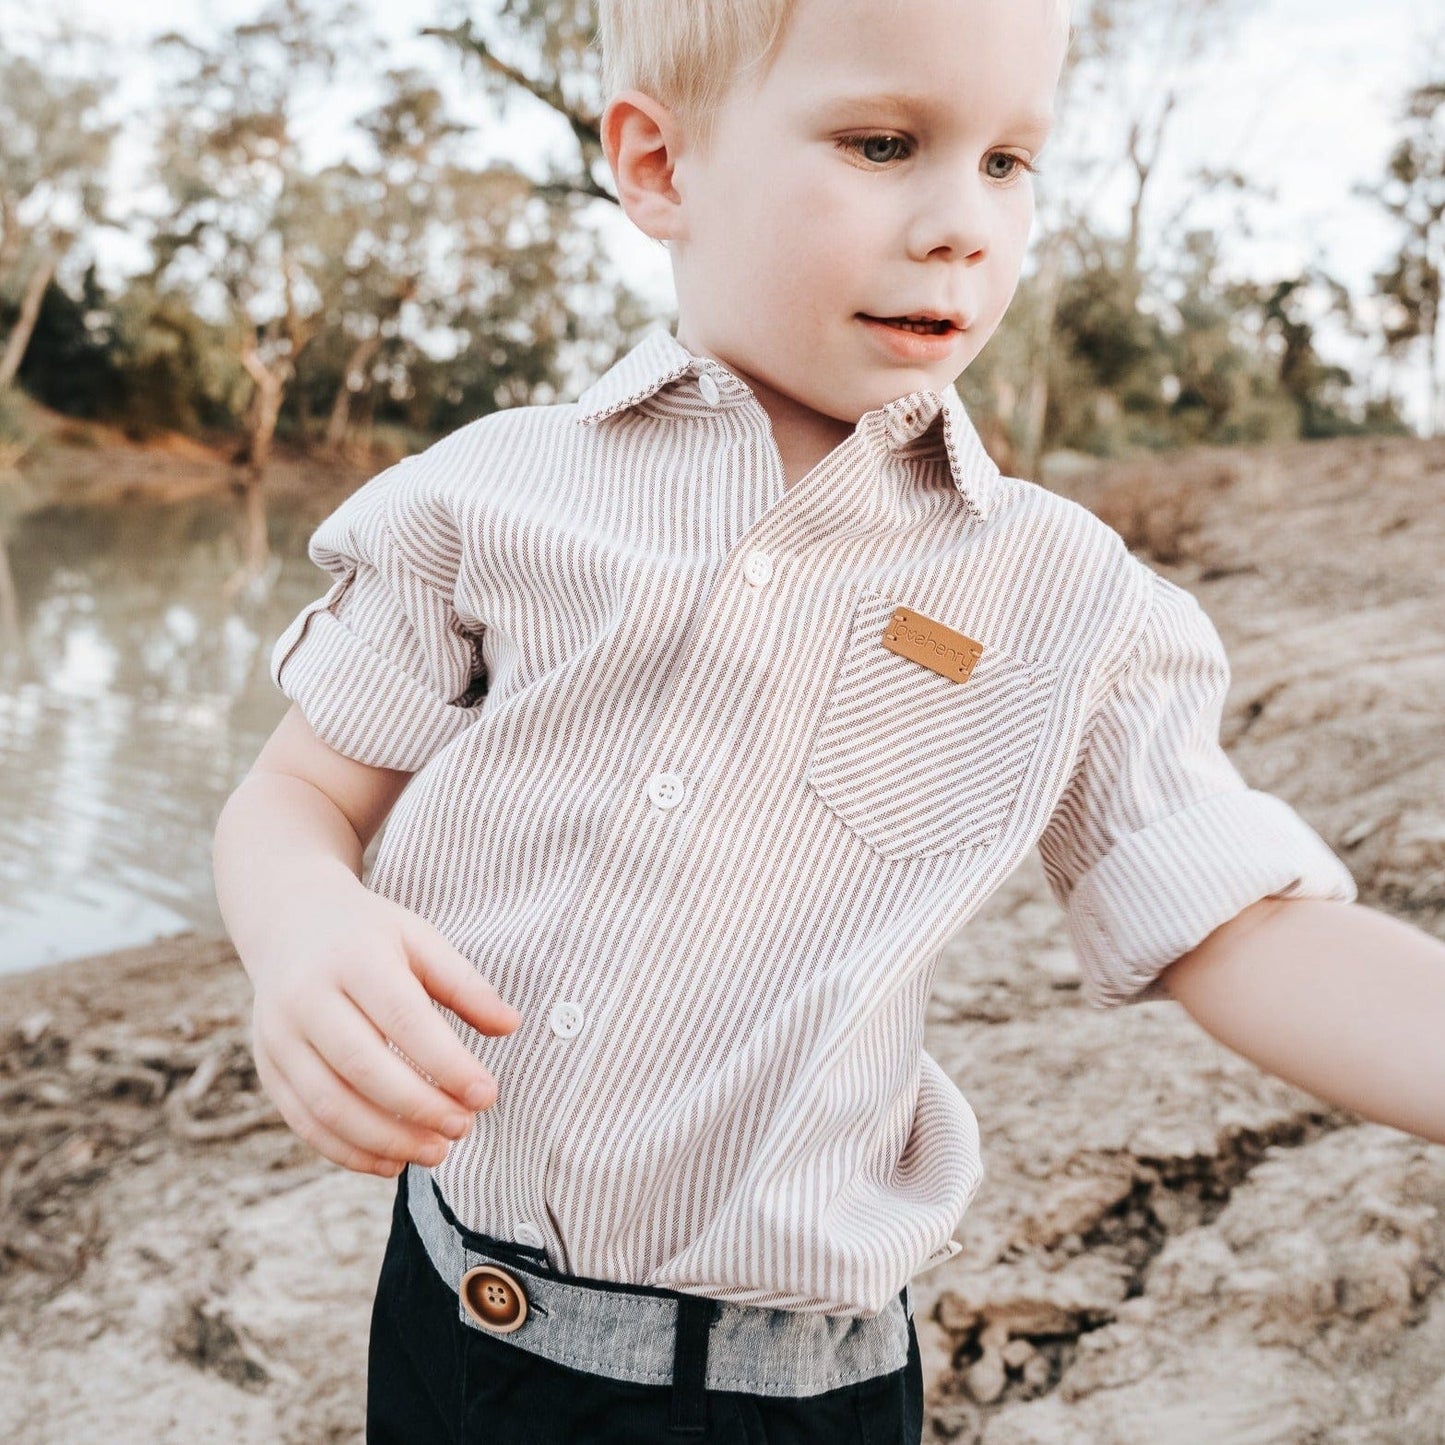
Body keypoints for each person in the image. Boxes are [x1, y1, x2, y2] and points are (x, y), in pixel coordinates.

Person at [211, 0, 1445, 1439]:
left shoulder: (1064, 597)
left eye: (1007, 162)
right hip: (440, 1300)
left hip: (777, 1393)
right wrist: (301, 923)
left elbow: (1241, 922)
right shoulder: (487, 496)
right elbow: (294, 798)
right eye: (882, 142)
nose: (961, 224)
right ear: (659, 166)